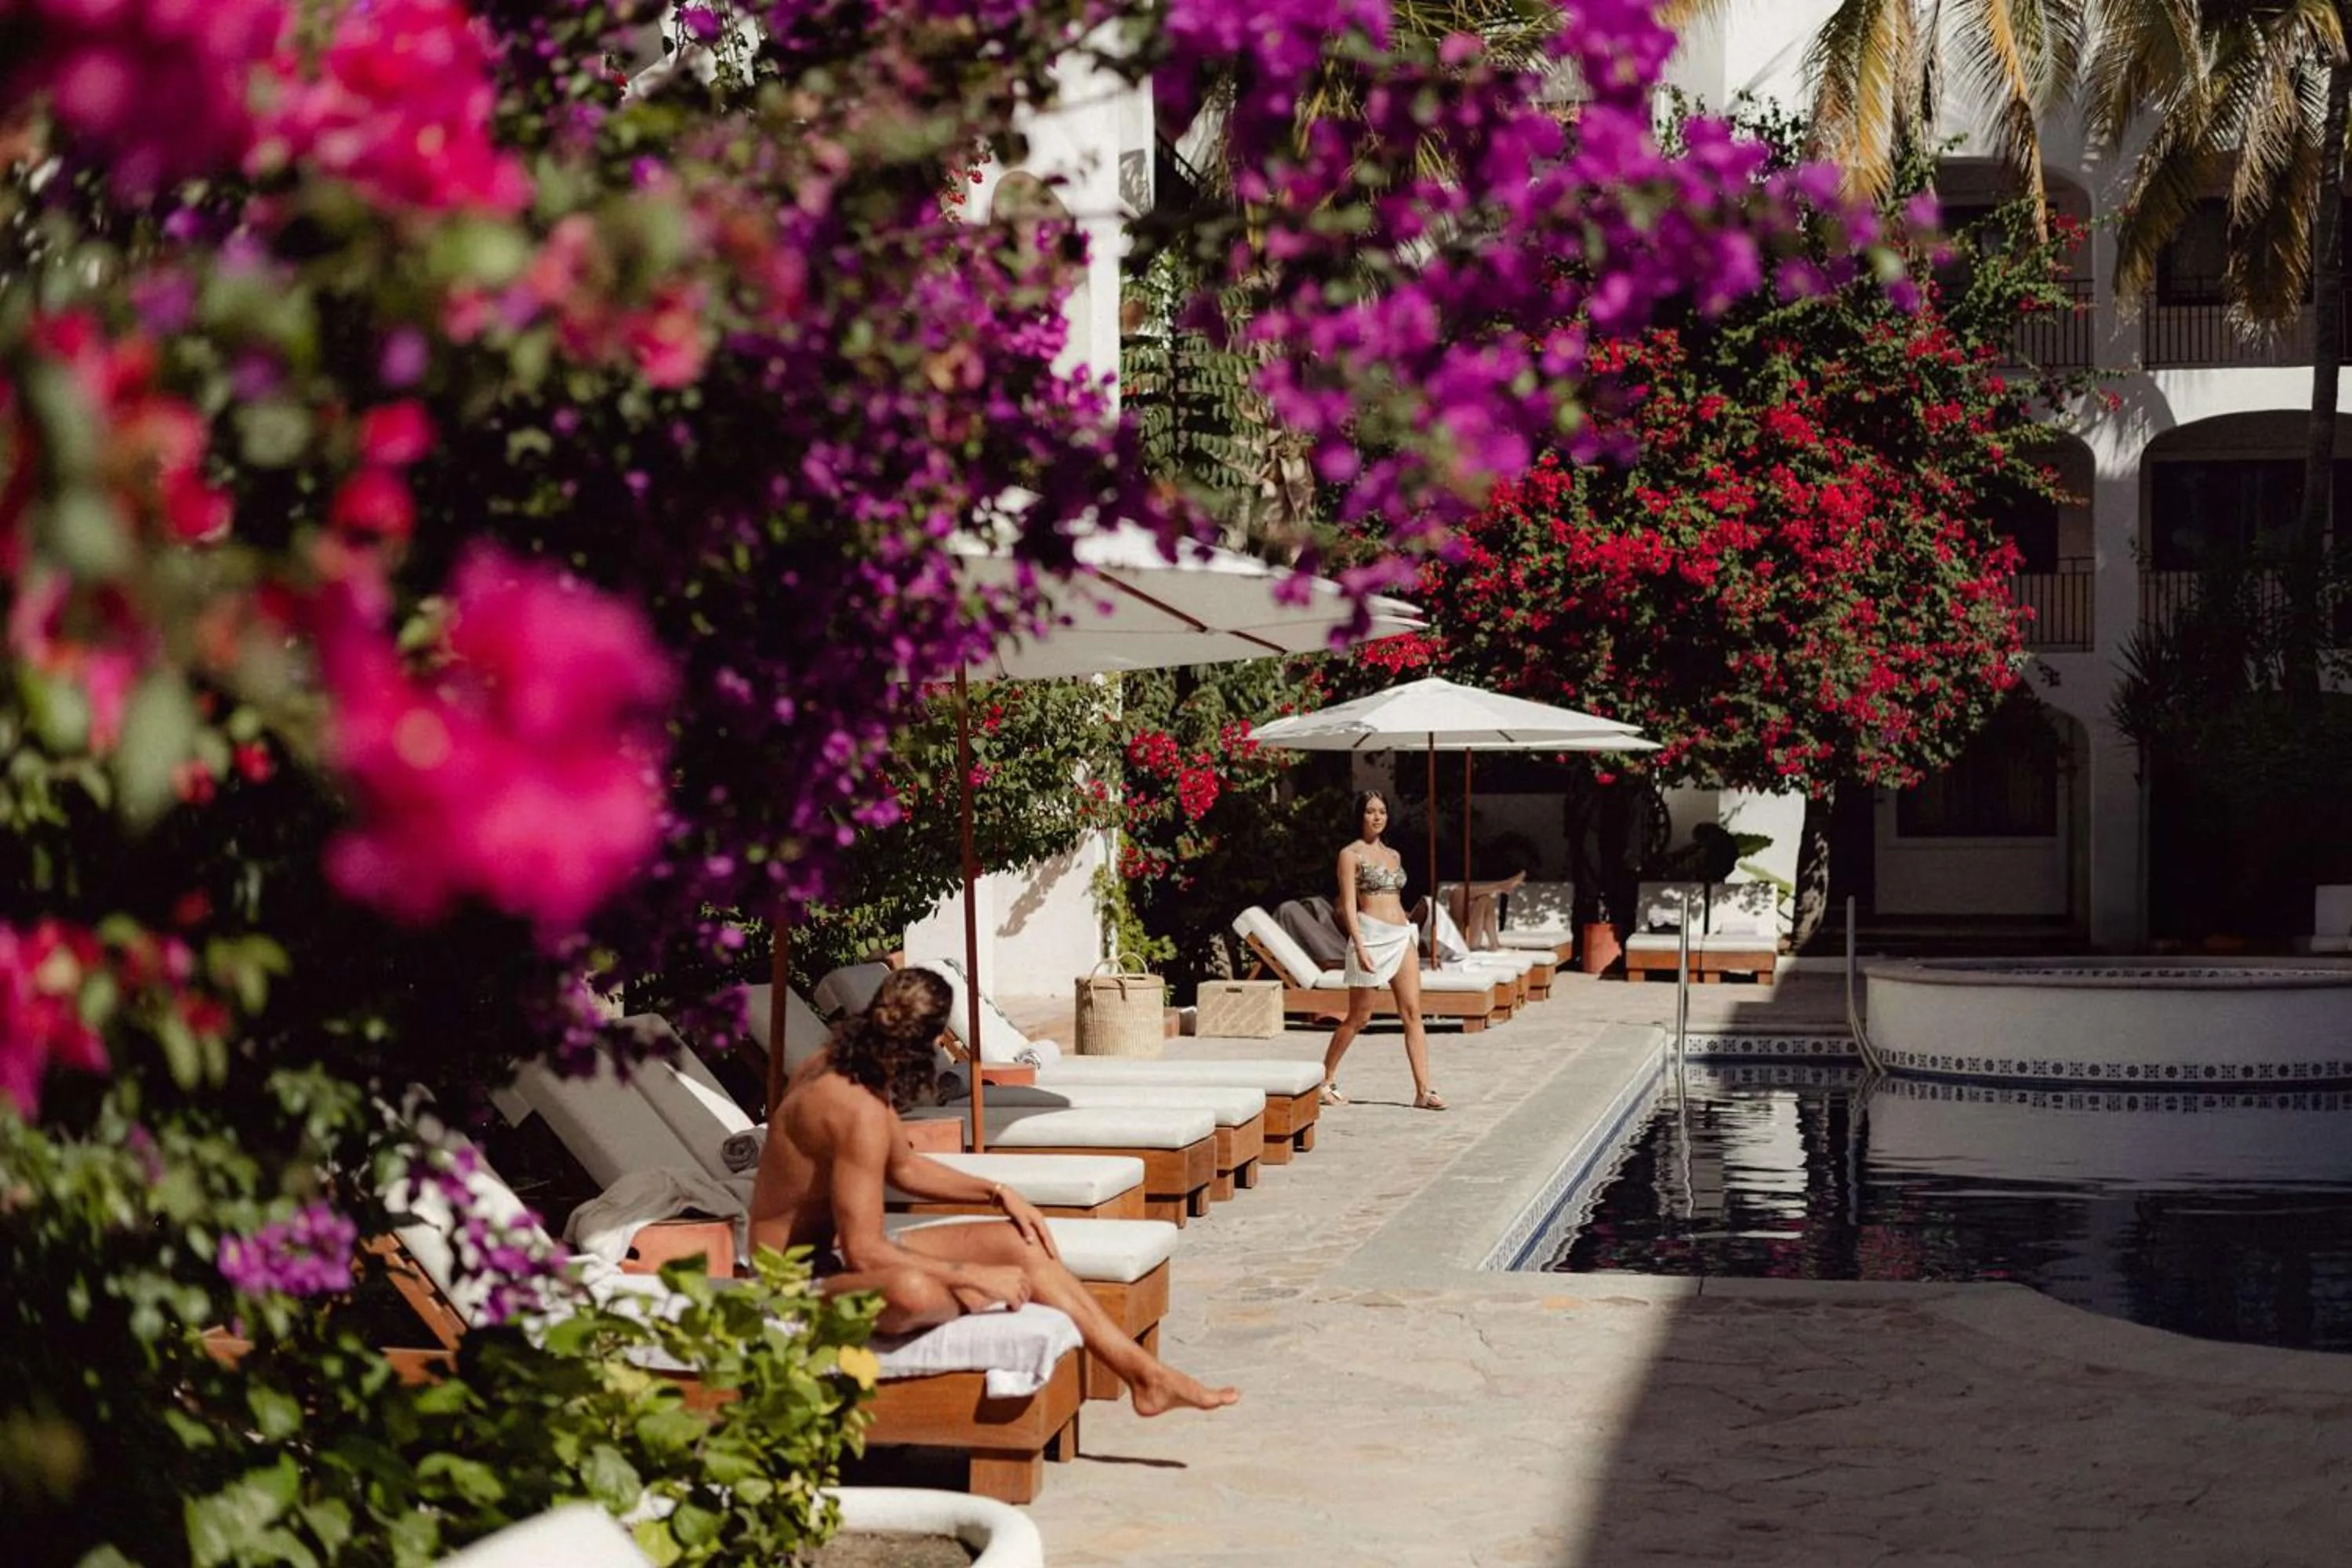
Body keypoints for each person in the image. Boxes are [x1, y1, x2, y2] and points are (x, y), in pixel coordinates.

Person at [750, 967, 1240, 1417]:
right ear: (932, 1040)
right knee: (915, 1292)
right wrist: (975, 1277)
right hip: (787, 1287)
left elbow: (903, 1166)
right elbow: (866, 1251)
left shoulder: (836, 1063)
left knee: (1018, 1242)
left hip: (830, 1259)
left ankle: (1145, 1377)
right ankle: (989, 1293)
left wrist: (999, 1191)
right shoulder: (855, 1109)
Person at [1319, 789, 1446, 1111]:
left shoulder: (1394, 855)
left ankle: (1423, 1091)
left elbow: (1396, 900)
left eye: (1382, 811)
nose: (1377, 817)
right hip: (1370, 937)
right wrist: (1359, 944)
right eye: (1370, 811)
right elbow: (1348, 904)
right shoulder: (1350, 854)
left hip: (1400, 936)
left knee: (1413, 1013)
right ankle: (1325, 1078)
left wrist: (1408, 925)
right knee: (1360, 1017)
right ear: (1359, 816)